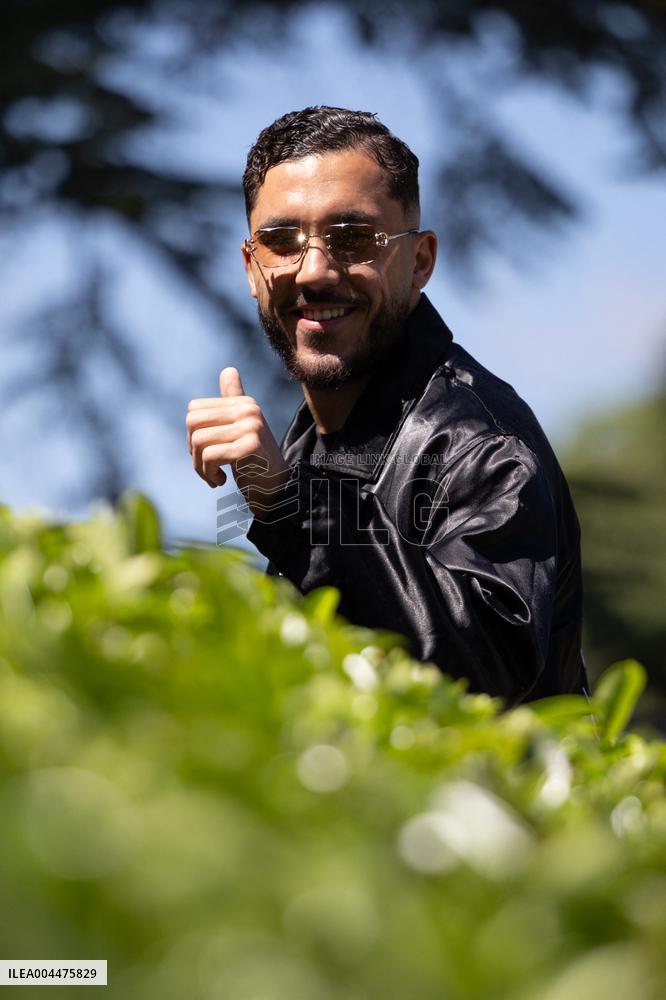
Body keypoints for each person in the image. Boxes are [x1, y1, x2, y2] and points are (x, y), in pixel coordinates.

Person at [186, 106, 588, 704]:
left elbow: (481, 676)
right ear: (251, 267)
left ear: (420, 261)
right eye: (281, 240)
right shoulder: (307, 445)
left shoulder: (483, 444)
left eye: (353, 239)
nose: (314, 271)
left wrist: (291, 509)